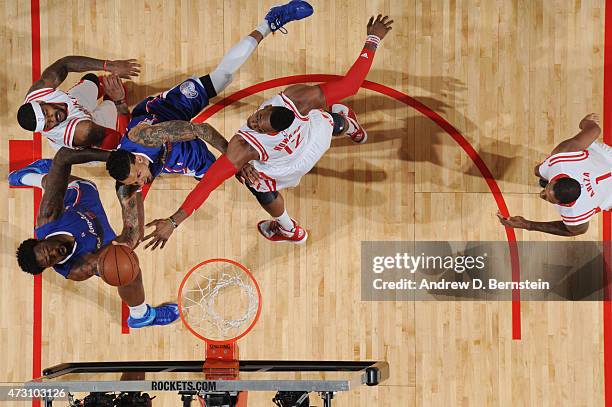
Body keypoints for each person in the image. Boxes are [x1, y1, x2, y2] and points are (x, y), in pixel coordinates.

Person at [142, 14, 394, 248]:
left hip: (283, 166)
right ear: (273, 108)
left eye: (258, 123)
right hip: (309, 143)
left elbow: (206, 185)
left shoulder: (245, 146)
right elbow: (351, 85)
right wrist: (372, 40)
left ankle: (289, 230)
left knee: (255, 181)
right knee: (326, 121)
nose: (253, 120)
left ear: (269, 131)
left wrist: (173, 222)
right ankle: (351, 127)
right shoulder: (298, 100)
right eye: (258, 116)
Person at [9, 149, 179, 328]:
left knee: (60, 182)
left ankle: (27, 177)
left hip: (79, 202)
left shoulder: (48, 217)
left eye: (47, 250)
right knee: (127, 269)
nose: (53, 253)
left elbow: (63, 157)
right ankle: (141, 316)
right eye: (51, 260)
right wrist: (132, 197)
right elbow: (122, 246)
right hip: (102, 240)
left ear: (40, 239)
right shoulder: (79, 269)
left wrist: (112, 157)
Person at [497, 113, 612, 236]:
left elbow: (574, 231)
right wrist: (585, 122)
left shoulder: (575, 213)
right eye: (546, 191)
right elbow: (594, 129)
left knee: (540, 171)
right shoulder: (562, 156)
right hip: (607, 158)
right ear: (559, 178)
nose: (542, 194)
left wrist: (528, 225)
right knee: (538, 170)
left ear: (567, 204)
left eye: (548, 198)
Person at [17, 55, 140, 151]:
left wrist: (110, 65)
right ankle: (111, 100)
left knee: (91, 79)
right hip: (89, 132)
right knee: (130, 132)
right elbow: (121, 143)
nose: (52, 118)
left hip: (77, 107)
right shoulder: (81, 132)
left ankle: (108, 89)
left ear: (40, 101)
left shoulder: (38, 92)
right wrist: (119, 102)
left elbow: (65, 64)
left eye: (45, 113)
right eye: (48, 123)